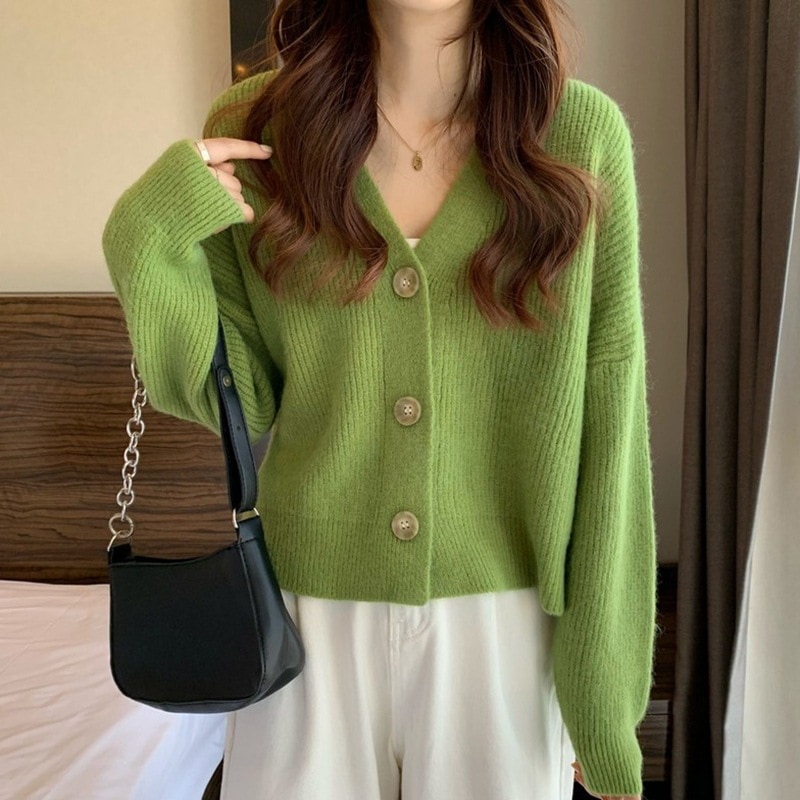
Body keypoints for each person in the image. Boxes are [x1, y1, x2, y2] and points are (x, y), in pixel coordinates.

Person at [101, 1, 657, 798]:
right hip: (305, 624)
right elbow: (240, 397)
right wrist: (146, 239)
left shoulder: (579, 133)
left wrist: (602, 698)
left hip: (504, 629)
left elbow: (611, 420)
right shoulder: (258, 128)